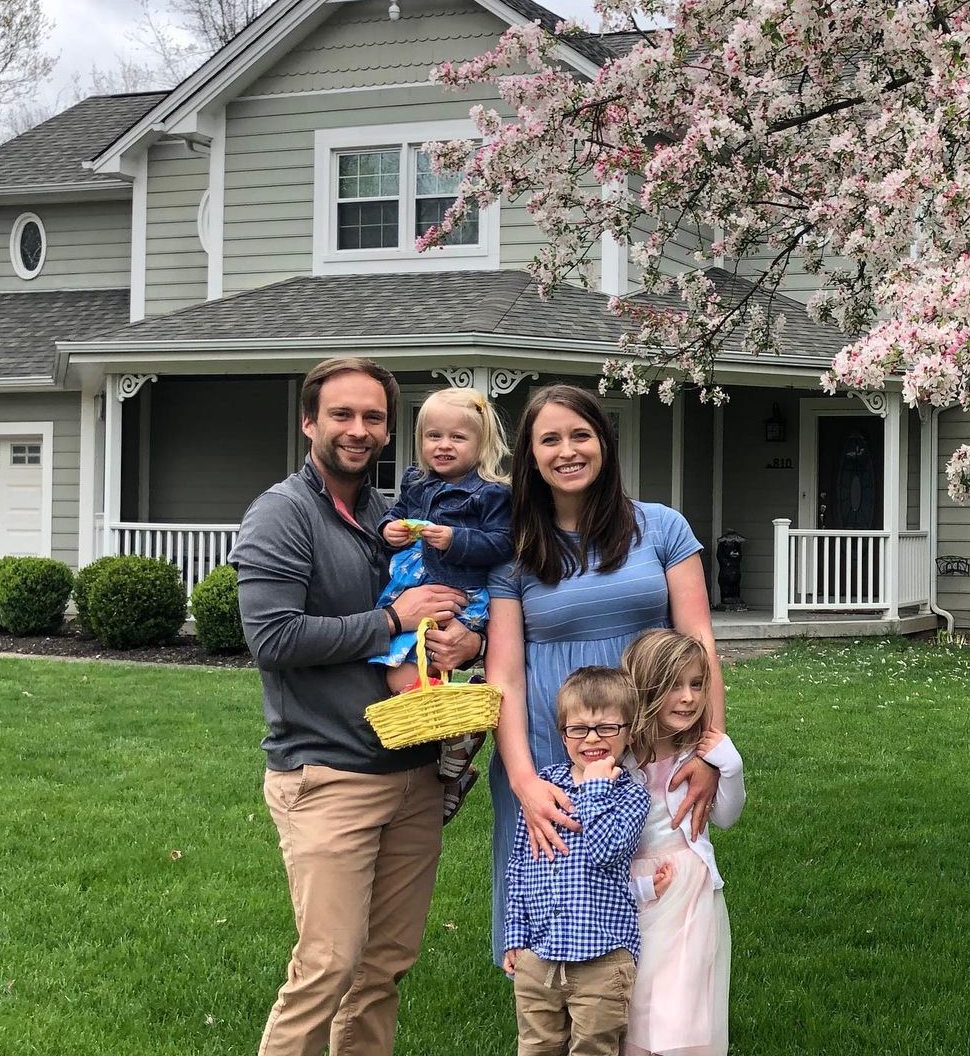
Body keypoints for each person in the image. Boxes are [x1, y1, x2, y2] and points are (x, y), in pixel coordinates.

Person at [229, 357, 481, 1056]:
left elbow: (445, 598)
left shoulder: (391, 515)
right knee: (328, 966)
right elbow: (273, 638)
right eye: (341, 414)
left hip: (415, 774)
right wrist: (393, 620)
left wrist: (467, 637)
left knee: (383, 968)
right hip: (329, 773)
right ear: (309, 422)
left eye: (373, 417)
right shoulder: (282, 514)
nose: (358, 430)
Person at [486, 384, 726, 964]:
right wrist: (523, 781)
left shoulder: (662, 528)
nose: (567, 451)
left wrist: (710, 751)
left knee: (659, 889)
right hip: (551, 753)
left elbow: (700, 643)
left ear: (605, 443)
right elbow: (504, 678)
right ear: (530, 455)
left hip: (654, 746)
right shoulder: (513, 547)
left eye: (581, 435)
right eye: (550, 439)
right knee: (556, 907)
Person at [372, 387, 512, 810]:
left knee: (439, 660)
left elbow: (503, 542)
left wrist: (456, 539)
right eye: (434, 436)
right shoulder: (416, 482)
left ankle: (457, 751)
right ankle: (453, 758)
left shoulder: (491, 493)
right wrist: (389, 530)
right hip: (411, 588)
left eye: (457, 437)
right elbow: (395, 514)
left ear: (481, 443)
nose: (443, 445)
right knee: (400, 676)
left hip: (459, 593)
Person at [503, 665, 650, 1056]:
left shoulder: (631, 795)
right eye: (579, 729)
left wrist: (596, 787)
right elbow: (519, 866)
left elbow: (605, 852)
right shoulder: (543, 788)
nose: (592, 739)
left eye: (606, 727)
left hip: (603, 959)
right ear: (563, 733)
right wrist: (516, 935)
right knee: (536, 1046)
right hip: (540, 956)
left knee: (594, 1049)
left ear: (629, 732)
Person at [621, 628, 746, 1056]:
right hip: (637, 892)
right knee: (638, 998)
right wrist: (637, 886)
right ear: (645, 687)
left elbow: (725, 817)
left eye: (697, 685)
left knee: (684, 1001)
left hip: (691, 893)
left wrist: (730, 766)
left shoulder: (700, 756)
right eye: (675, 686)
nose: (689, 698)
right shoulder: (620, 761)